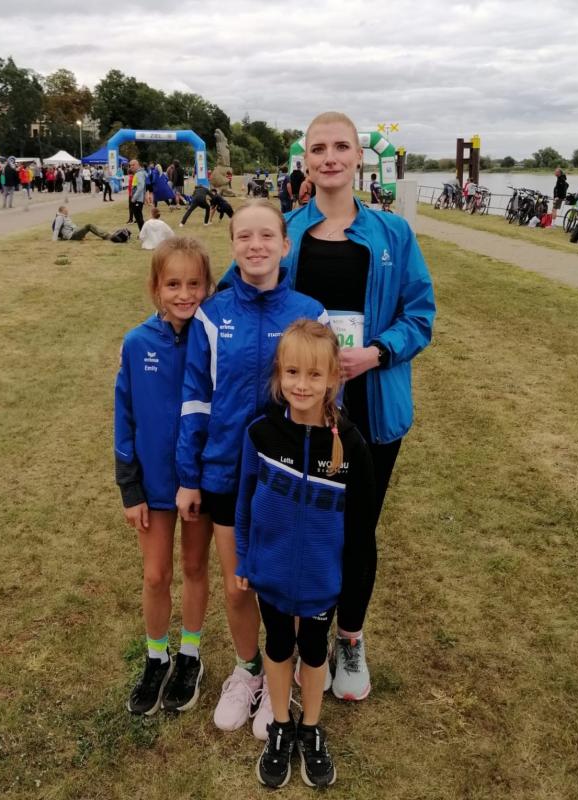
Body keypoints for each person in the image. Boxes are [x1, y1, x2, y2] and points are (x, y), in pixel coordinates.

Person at [275, 111, 434, 702]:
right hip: (301, 411)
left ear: (359, 157)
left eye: (341, 146)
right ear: (306, 159)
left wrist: (376, 352)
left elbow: (420, 315)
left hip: (371, 408)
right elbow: (248, 294)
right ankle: (304, 638)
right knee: (304, 525)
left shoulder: (392, 233)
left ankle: (350, 639)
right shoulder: (287, 232)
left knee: (358, 530)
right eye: (319, 148)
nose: (330, 157)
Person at [175, 200, 328, 735]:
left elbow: (328, 399)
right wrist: (189, 476)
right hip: (224, 473)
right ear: (233, 246)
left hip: (287, 478)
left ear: (285, 245)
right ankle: (247, 671)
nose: (256, 245)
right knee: (238, 586)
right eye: (245, 236)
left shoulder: (310, 313)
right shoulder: (211, 315)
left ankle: (280, 676)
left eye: (267, 235)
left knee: (283, 588)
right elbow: (196, 399)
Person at [236, 320, 375, 788]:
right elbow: (243, 502)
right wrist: (244, 558)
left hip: (320, 581)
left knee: (313, 651)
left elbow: (361, 529)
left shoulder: (351, 446)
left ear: (334, 378)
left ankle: (311, 728)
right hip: (271, 573)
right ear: (279, 373)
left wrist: (349, 581)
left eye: (315, 375)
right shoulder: (261, 434)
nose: (301, 384)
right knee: (278, 644)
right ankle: (280, 725)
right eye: (292, 372)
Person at [115, 237, 215, 715]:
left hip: (199, 481)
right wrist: (129, 488)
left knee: (195, 567)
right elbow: (125, 418)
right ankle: (157, 657)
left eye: (194, 283)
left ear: (208, 286)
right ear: (155, 287)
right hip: (152, 487)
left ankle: (190, 654)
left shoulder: (213, 340)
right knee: (156, 574)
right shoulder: (137, 343)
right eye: (173, 284)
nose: (184, 294)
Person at [130, 160, 147, 230]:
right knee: (139, 217)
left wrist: (134, 198)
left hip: (137, 199)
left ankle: (143, 233)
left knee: (139, 218)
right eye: (130, 165)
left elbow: (141, 187)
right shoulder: (138, 173)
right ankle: (143, 233)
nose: (131, 167)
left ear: (138, 165)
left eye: (133, 165)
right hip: (138, 199)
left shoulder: (139, 174)